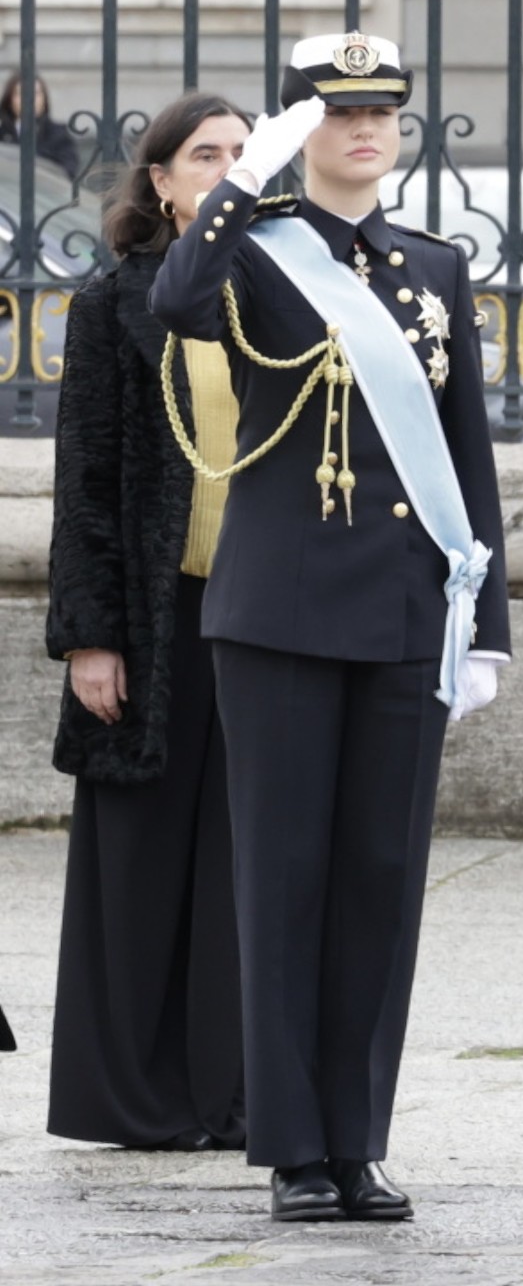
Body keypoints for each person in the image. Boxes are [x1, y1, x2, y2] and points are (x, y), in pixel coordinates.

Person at [151, 31, 510, 1224]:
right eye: (336, 112)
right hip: (282, 612)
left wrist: (487, 619)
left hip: (406, 608)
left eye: (381, 112)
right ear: (300, 126)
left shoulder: (434, 265)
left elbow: (465, 451)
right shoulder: (251, 252)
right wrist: (246, 176)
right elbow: (174, 300)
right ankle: (294, 1147)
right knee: (286, 876)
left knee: (379, 882)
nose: (363, 129)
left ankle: (358, 1139)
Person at [45, 92, 252, 1154]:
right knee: (139, 857)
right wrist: (90, 635)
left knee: (247, 859)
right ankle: (132, 1097)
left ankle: (236, 1093)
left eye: (241, 153)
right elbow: (82, 483)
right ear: (161, 181)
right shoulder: (114, 302)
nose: (225, 167)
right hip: (154, 614)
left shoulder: (287, 298)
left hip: (266, 615)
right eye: (203, 153)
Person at [2, 70, 82, 171]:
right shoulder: (2, 133)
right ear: (10, 99)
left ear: (44, 99)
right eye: (21, 93)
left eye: (36, 93)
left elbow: (69, 171)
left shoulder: (59, 134)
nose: (29, 99)